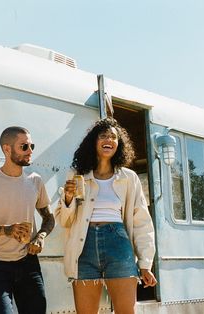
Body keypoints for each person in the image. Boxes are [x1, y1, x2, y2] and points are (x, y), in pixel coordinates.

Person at [55, 117, 157, 314]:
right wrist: (67, 199)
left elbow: (141, 222)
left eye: (113, 137)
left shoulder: (129, 178)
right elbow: (65, 220)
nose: (108, 139)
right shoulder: (77, 175)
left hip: (118, 243)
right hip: (83, 245)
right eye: (103, 136)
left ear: (119, 145)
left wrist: (145, 264)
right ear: (94, 141)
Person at [0, 126, 55, 314]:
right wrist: (7, 230)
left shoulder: (35, 181)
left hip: (28, 262)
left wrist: (40, 236)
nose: (30, 151)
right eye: (24, 146)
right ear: (7, 149)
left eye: (31, 145)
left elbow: (49, 218)